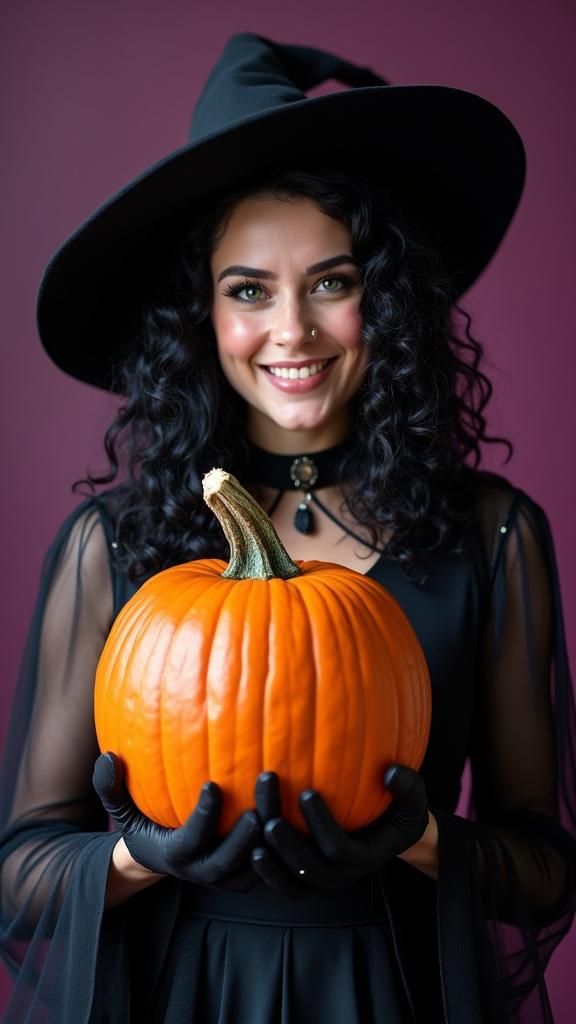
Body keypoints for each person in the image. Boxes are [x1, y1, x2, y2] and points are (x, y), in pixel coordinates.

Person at [1, 32, 575, 1024]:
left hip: (397, 998)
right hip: (180, 998)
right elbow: (22, 870)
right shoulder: (113, 546)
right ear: (201, 319)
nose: (292, 331)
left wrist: (418, 836)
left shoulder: (492, 538)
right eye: (248, 291)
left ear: (383, 301)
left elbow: (544, 870)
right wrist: (145, 854)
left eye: (332, 281)